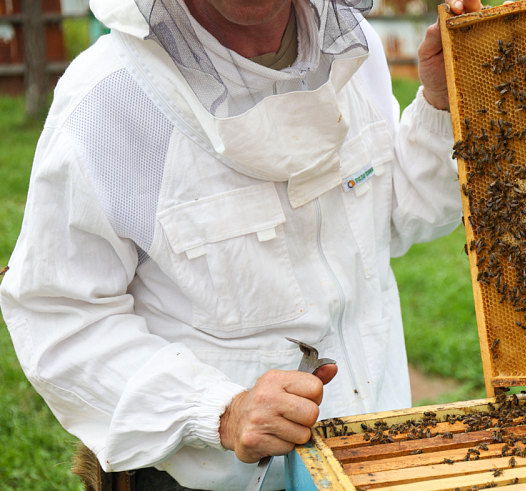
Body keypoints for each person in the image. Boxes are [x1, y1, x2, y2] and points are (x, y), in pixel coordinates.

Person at [0, 0, 480, 488]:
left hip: (377, 453)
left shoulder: (352, 46)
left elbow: (394, 217)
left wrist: (440, 104)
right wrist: (220, 412)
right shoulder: (108, 100)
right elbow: (59, 314)